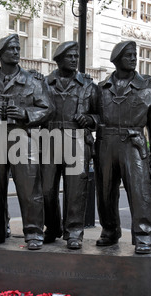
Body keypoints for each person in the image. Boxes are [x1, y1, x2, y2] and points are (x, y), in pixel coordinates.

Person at [0, 34, 53, 250]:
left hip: (22, 137)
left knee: (29, 189)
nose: (17, 52)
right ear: (0, 54)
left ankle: (34, 232)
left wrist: (25, 113)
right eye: (11, 49)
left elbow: (46, 108)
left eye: (18, 49)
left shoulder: (32, 81)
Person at [95, 41, 151, 254]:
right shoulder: (102, 89)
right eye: (129, 55)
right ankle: (109, 230)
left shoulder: (148, 89)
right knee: (105, 191)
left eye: (135, 55)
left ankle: (143, 235)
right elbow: (93, 115)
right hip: (106, 143)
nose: (134, 58)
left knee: (139, 192)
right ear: (117, 60)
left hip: (133, 144)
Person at [41, 41, 99, 249]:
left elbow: (101, 115)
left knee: (75, 190)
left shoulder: (88, 85)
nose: (75, 59)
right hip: (49, 139)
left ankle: (74, 231)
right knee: (47, 189)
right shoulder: (45, 84)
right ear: (58, 60)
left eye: (76, 56)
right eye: (70, 56)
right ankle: (53, 227)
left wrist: (91, 120)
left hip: (76, 141)